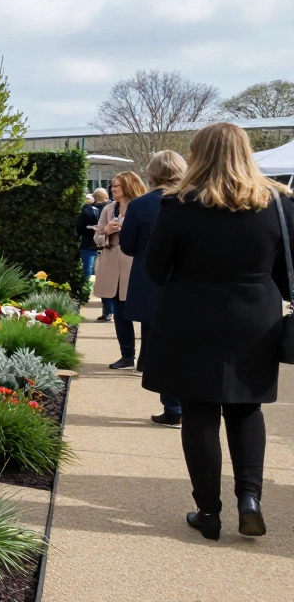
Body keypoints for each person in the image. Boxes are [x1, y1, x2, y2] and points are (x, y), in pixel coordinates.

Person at [140, 122, 287, 541]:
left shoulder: (179, 204)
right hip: (256, 316)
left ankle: (209, 512)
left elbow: (155, 268)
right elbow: (287, 274)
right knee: (247, 408)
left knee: (200, 412)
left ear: (199, 154)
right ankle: (250, 500)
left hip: (193, 313)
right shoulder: (277, 203)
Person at [120, 151, 187, 427]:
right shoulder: (198, 199)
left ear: (152, 173)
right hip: (190, 283)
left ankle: (173, 406)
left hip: (151, 281)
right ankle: (187, 403)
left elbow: (128, 245)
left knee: (160, 346)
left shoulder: (141, 205)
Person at [94, 172, 146, 367]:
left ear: (128, 185)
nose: (113, 189)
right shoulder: (108, 208)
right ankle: (127, 355)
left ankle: (145, 358)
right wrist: (106, 232)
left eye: (117, 185)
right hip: (112, 266)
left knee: (142, 312)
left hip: (134, 265)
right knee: (119, 312)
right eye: (112, 185)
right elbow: (97, 238)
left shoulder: (140, 206)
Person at [83, 188, 113, 321]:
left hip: (102, 247)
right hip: (107, 247)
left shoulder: (91, 209)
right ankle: (109, 311)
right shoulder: (109, 208)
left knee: (94, 274)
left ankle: (108, 311)